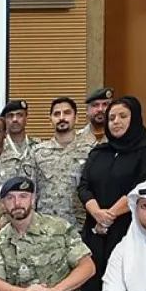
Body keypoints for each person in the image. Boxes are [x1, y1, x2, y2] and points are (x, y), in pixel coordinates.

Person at [76, 96, 146, 291]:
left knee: (123, 284)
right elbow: (84, 186)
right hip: (95, 228)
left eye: (122, 116)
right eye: (112, 117)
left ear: (135, 118)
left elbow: (143, 188)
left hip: (129, 229)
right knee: (93, 281)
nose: (115, 122)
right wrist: (97, 213)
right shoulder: (99, 151)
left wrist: (110, 215)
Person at [27, 97, 95, 230]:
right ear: (50, 120)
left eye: (67, 113)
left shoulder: (90, 151)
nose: (62, 118)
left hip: (79, 228)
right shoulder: (37, 152)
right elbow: (30, 192)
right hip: (45, 228)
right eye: (57, 114)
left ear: (76, 118)